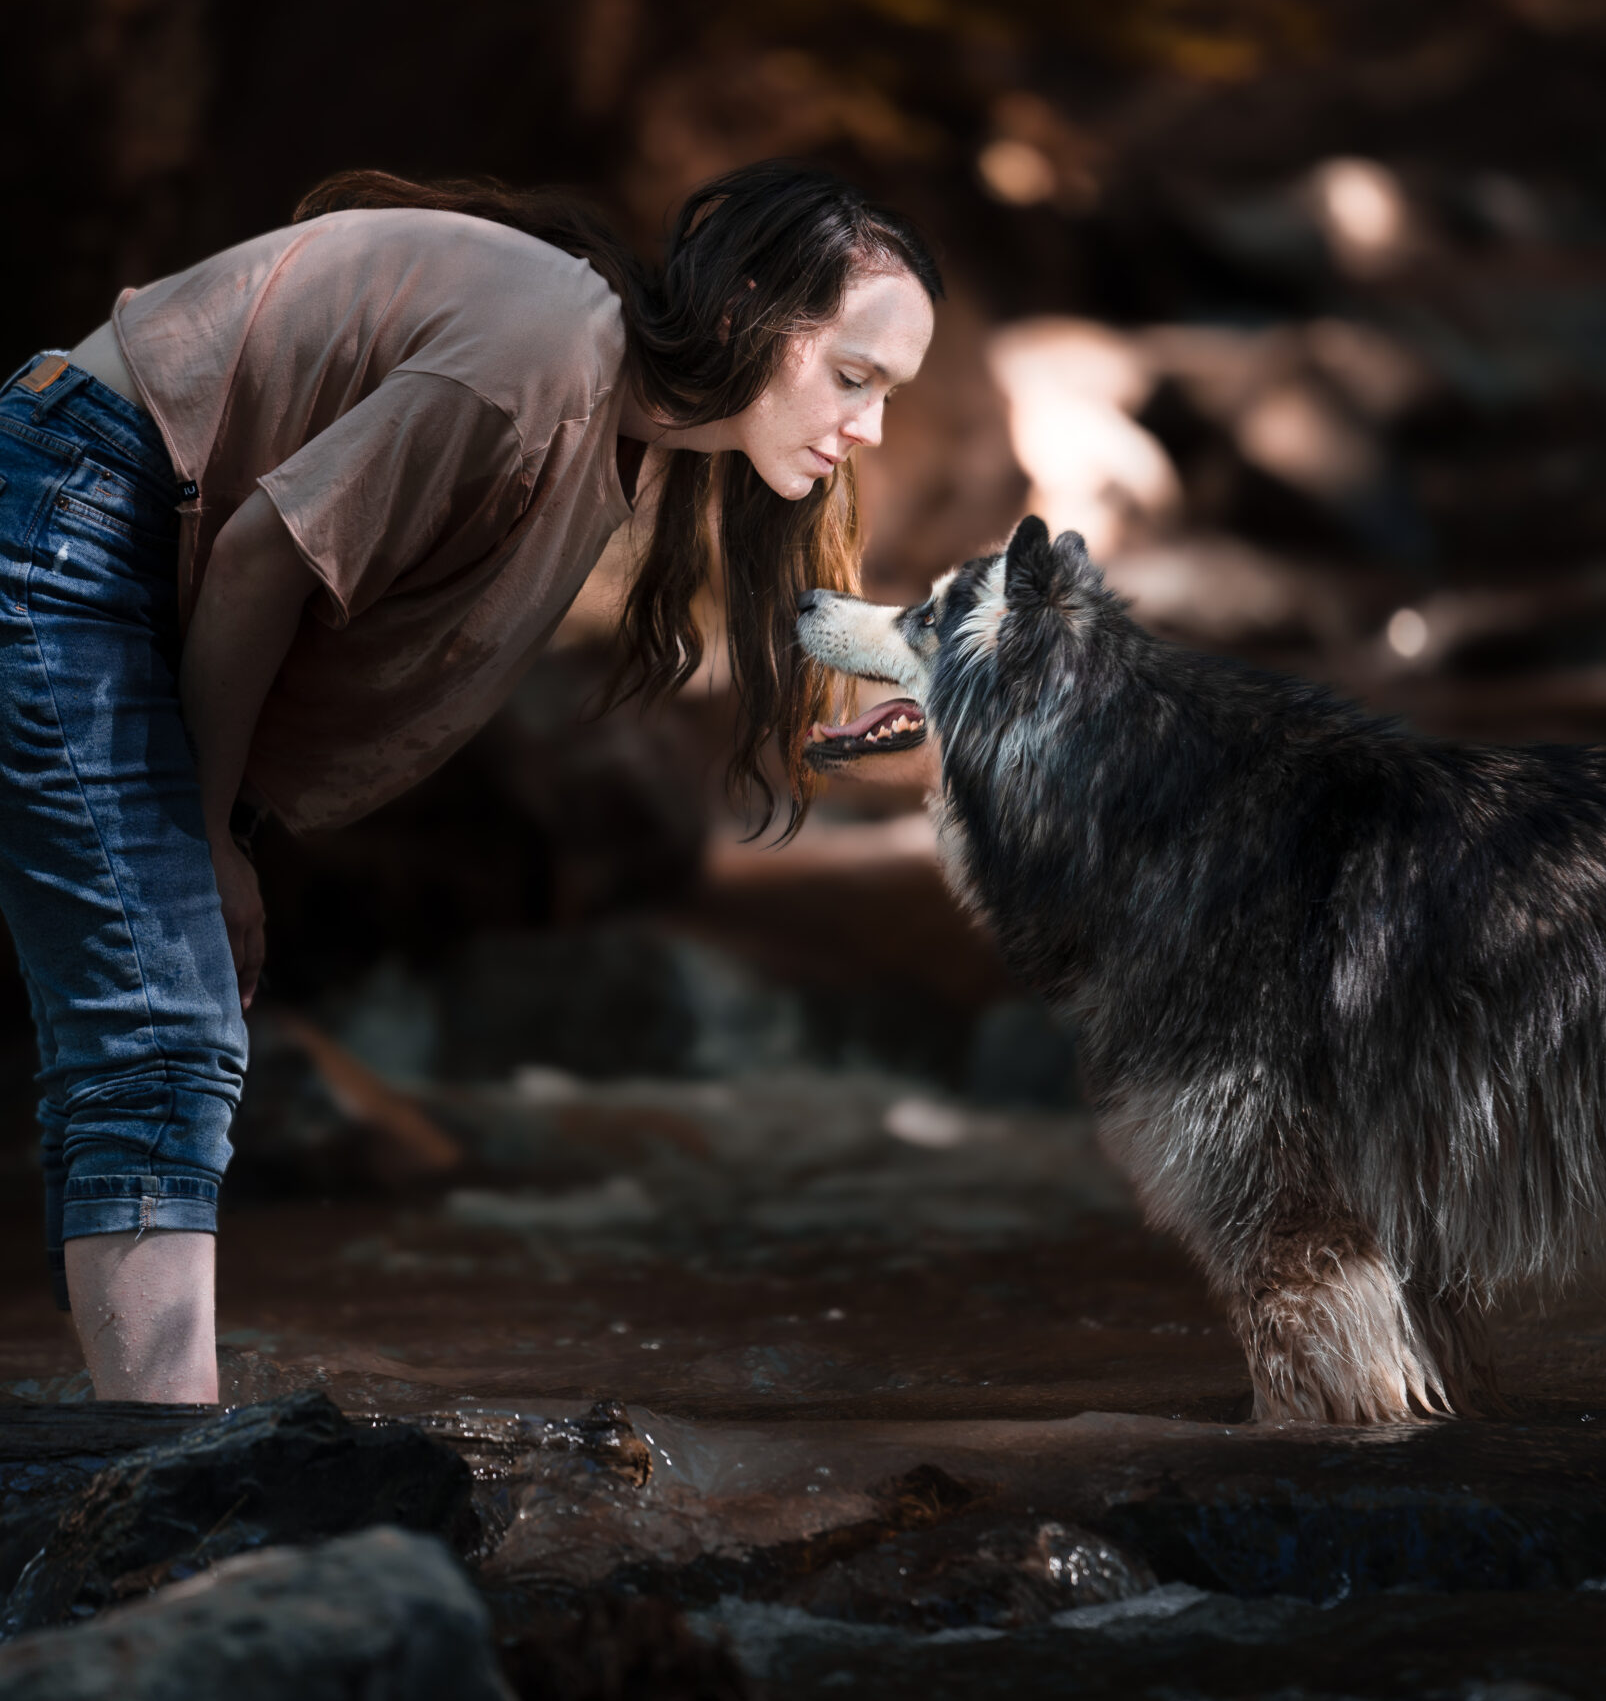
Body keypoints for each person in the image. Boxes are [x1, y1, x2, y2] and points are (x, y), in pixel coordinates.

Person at [0, 160, 940, 1404]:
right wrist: (212, 835)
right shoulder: (541, 357)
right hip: (68, 504)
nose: (869, 429)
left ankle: (113, 1463)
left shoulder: (606, 406)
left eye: (889, 395)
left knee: (141, 1012)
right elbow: (254, 560)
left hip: (93, 506)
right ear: (750, 313)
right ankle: (159, 1479)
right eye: (854, 377)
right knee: (164, 1020)